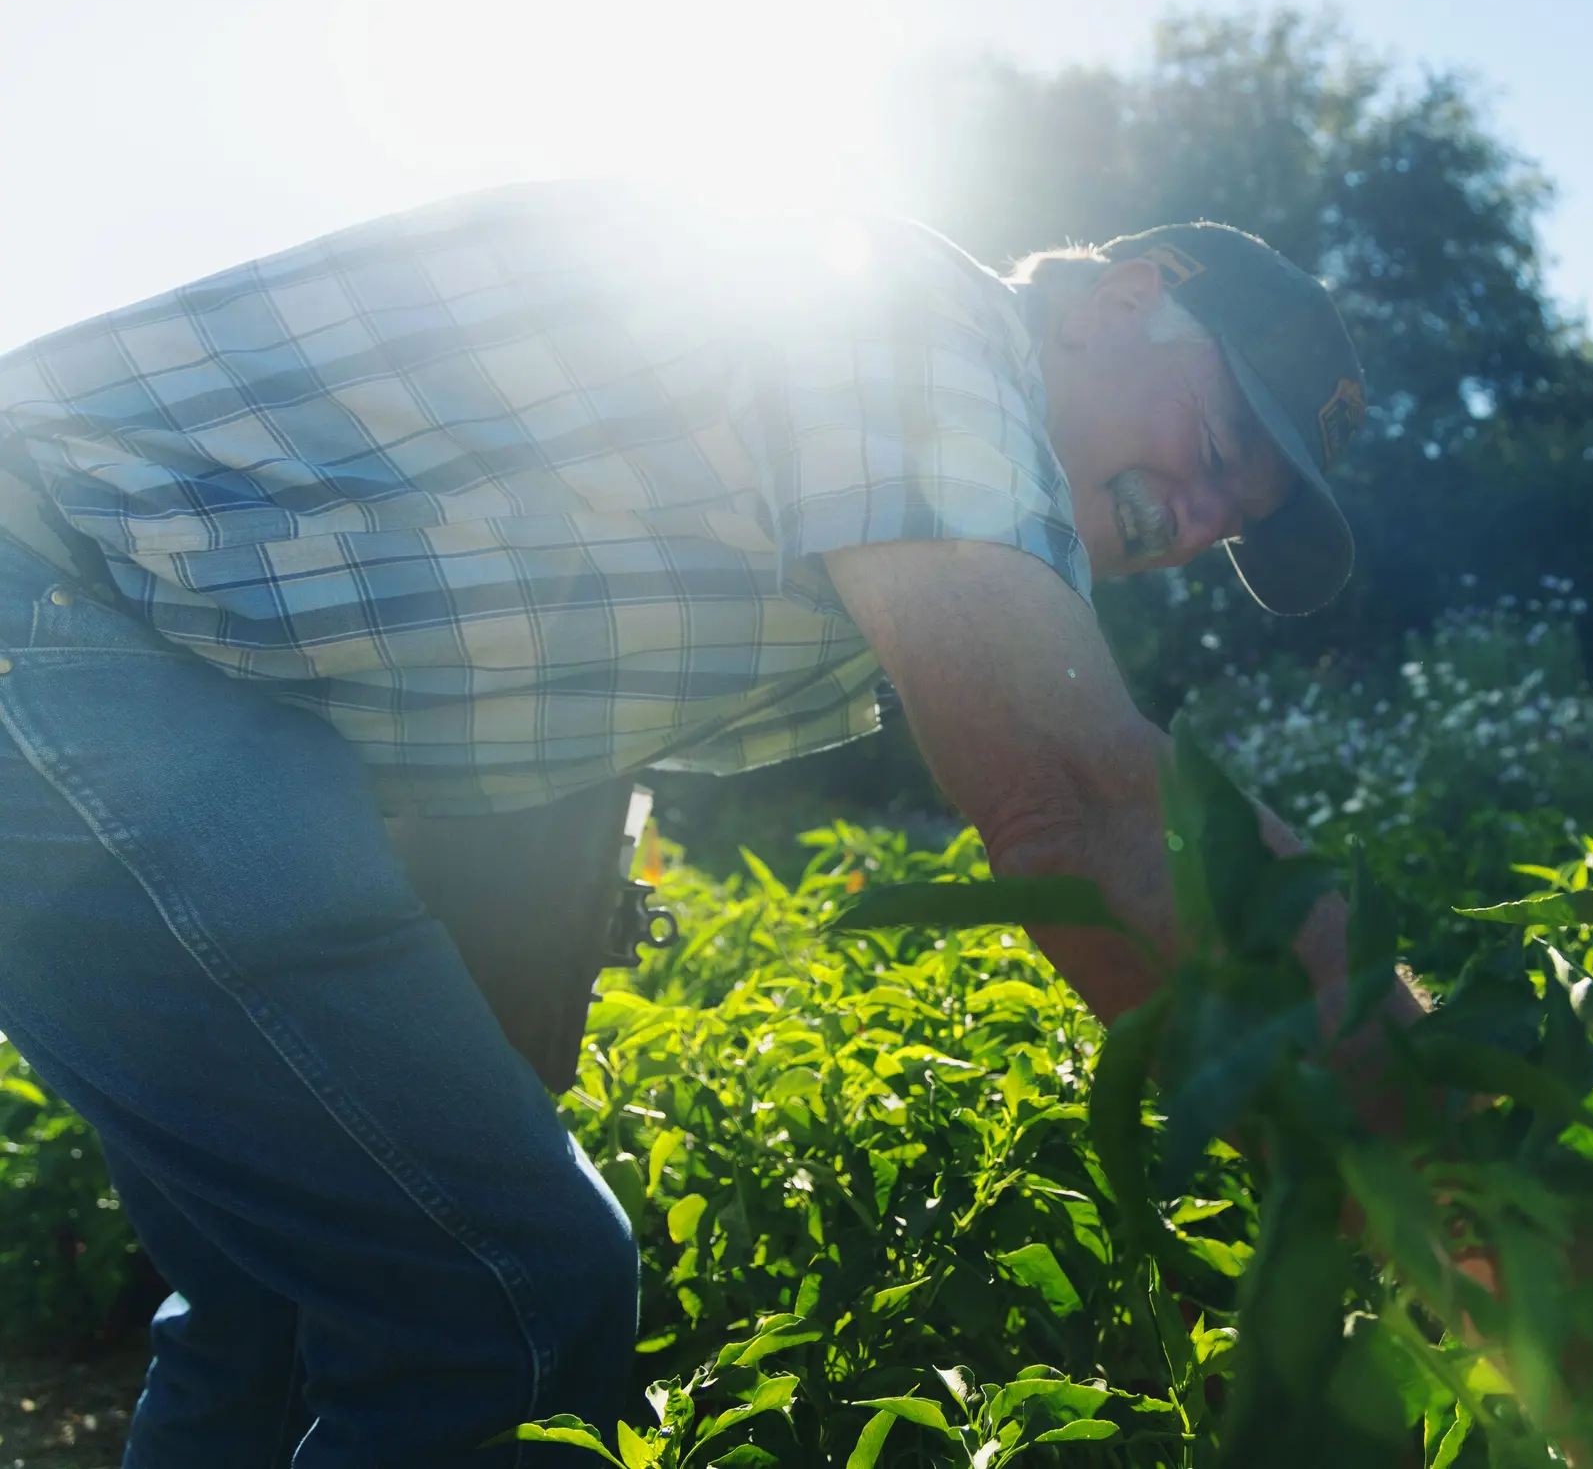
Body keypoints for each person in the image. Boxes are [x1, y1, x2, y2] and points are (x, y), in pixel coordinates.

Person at [0, 182, 1405, 1466]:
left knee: (294, 1292)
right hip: (62, 619)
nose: (1198, 516)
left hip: (142, 674)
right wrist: (1438, 1173)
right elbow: (1079, 806)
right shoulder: (904, 319)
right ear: (1125, 295)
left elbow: (525, 738)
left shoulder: (892, 470)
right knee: (502, 1297)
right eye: (1217, 446)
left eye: (1230, 522)